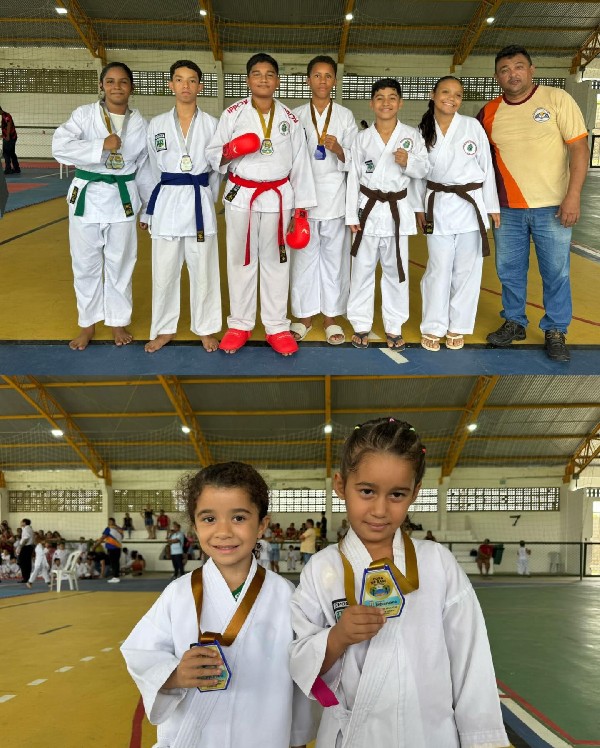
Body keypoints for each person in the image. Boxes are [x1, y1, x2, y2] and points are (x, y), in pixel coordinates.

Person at [289, 418, 508, 747]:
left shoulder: (438, 564)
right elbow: (299, 660)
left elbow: (471, 662)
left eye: (397, 494)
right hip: (351, 736)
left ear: (415, 493)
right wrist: (337, 637)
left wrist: (481, 740)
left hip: (428, 735)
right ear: (340, 485)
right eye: (366, 491)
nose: (380, 510)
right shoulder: (321, 569)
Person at [121, 461, 315, 747]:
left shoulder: (285, 594)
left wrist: (297, 738)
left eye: (238, 517)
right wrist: (174, 675)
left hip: (263, 734)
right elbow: (142, 653)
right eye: (209, 519)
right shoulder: (178, 593)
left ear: (262, 525)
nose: (223, 531)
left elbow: (301, 672)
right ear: (195, 526)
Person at [478, 45, 589, 362]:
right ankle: (514, 321)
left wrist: (573, 195)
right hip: (507, 210)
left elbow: (579, 149)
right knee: (509, 271)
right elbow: (474, 158)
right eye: (504, 69)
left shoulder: (556, 99)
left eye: (518, 67)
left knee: (556, 272)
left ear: (531, 70)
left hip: (553, 207)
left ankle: (555, 329)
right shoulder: (488, 113)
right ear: (497, 76)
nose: (512, 74)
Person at [207, 52, 317, 356]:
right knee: (239, 260)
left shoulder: (290, 119)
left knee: (277, 262)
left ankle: (277, 326)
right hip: (241, 195)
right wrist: (230, 150)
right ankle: (239, 324)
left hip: (279, 198)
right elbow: (213, 154)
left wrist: (301, 211)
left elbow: (301, 164)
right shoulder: (233, 114)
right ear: (248, 80)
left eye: (269, 74)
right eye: (257, 74)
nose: (263, 79)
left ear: (277, 81)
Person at [52, 62, 149, 351]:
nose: (116, 87)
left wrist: (147, 208)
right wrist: (100, 145)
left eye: (123, 81)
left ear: (131, 87)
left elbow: (145, 168)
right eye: (110, 81)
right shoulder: (84, 115)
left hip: (123, 199)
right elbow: (59, 146)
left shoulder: (140, 123)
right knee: (85, 263)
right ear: (101, 86)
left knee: (121, 263)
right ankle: (88, 324)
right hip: (87, 197)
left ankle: (118, 321)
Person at [141, 59, 222, 353]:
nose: (185, 85)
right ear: (170, 85)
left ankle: (206, 328)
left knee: (204, 272)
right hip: (166, 205)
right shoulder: (157, 125)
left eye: (191, 80)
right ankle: (164, 329)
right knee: (164, 273)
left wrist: (206, 198)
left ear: (200, 86)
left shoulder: (213, 125)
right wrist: (149, 209)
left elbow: (216, 172)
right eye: (179, 79)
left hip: (199, 203)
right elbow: (151, 170)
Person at [417, 76, 500, 352]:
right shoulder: (422, 131)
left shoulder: (472, 126)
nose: (451, 99)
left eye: (457, 95)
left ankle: (458, 326)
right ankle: (433, 325)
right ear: (433, 94)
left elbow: (487, 167)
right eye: (445, 92)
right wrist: (418, 208)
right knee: (438, 267)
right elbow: (417, 176)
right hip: (436, 207)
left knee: (468, 269)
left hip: (470, 207)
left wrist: (492, 206)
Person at [346, 79, 428, 349]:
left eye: (392, 97)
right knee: (362, 270)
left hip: (396, 212)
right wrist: (351, 215)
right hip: (367, 210)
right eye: (380, 98)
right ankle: (360, 323)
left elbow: (424, 170)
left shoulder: (412, 136)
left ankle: (394, 325)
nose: (386, 103)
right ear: (372, 104)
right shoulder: (362, 138)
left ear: (400, 103)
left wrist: (409, 162)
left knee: (396, 271)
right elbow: (353, 178)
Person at [290, 55, 358, 345]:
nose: (322, 81)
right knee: (303, 260)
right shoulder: (294, 116)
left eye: (328, 76)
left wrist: (340, 150)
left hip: (334, 198)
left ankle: (331, 317)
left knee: (334, 261)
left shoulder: (345, 116)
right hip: (303, 198)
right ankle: (304, 317)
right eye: (317, 75)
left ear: (334, 81)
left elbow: (355, 159)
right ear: (308, 80)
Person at [95, 517, 123, 583]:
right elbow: (122, 537)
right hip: (118, 548)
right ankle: (116, 576)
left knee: (113, 563)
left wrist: (95, 546)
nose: (108, 523)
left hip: (111, 548)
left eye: (109, 521)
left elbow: (103, 537)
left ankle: (115, 577)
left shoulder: (108, 529)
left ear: (111, 522)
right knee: (116, 562)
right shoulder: (120, 529)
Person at [1, 105, 20, 175]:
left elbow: (9, 124)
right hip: (10, 137)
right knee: (11, 153)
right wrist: (3, 135)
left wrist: (8, 135)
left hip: (10, 138)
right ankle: (16, 168)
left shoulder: (6, 115)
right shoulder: (4, 116)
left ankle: (8, 169)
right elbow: (6, 127)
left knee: (6, 153)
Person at [17, 518, 34, 584]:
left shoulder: (26, 528)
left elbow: (26, 538)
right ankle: (27, 577)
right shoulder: (28, 528)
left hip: (26, 547)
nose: (20, 523)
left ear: (24, 523)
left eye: (21, 522)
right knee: (27, 562)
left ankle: (25, 578)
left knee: (23, 562)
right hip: (28, 547)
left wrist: (20, 546)